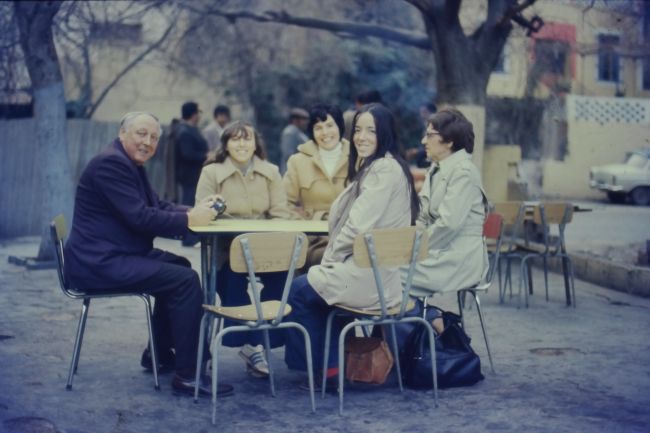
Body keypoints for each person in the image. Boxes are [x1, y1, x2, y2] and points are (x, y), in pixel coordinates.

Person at [63, 112, 233, 398]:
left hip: (114, 254)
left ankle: (159, 353)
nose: (148, 142)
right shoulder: (111, 164)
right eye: (141, 134)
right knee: (184, 281)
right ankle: (188, 374)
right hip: (99, 263)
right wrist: (192, 221)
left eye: (154, 137)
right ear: (122, 134)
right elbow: (141, 218)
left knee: (179, 266)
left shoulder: (128, 163)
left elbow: (157, 204)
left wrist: (194, 210)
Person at [283, 103, 420, 387]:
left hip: (372, 277)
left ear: (385, 133)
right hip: (379, 274)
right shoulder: (383, 166)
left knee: (299, 290)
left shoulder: (383, 169)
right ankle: (332, 369)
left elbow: (358, 225)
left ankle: (321, 370)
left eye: (371, 130)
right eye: (357, 130)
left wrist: (329, 261)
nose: (362, 137)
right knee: (315, 293)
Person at [195, 121, 292, 378]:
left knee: (284, 280)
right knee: (231, 281)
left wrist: (265, 238)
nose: (241, 144)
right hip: (227, 248)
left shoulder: (271, 172)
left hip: (265, 248)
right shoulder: (211, 173)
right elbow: (201, 214)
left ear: (255, 143)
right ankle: (251, 345)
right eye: (235, 139)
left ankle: (256, 343)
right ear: (225, 144)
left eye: (247, 139)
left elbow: (281, 215)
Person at [403, 108, 488, 312]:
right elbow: (422, 215)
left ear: (449, 141)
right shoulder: (437, 168)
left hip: (460, 257)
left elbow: (448, 225)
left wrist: (413, 250)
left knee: (386, 274)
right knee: (382, 268)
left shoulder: (463, 173)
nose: (424, 141)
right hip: (441, 249)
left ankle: (431, 321)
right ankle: (405, 334)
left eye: (430, 135)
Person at [283, 104, 349, 267]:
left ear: (340, 126)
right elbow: (282, 203)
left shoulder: (359, 158)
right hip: (313, 239)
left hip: (350, 236)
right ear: (311, 131)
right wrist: (303, 222)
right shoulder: (297, 161)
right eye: (318, 127)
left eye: (329, 125)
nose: (325, 133)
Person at [175, 101, 208, 246]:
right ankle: (188, 237)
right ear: (193, 114)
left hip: (194, 174)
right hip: (189, 175)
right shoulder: (184, 131)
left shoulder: (190, 129)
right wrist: (206, 156)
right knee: (189, 206)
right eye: (198, 113)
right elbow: (187, 154)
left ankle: (192, 237)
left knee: (193, 204)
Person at [279, 107, 309, 174]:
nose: (306, 122)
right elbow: (288, 155)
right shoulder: (290, 132)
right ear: (295, 120)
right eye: (304, 118)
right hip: (292, 174)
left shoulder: (299, 133)